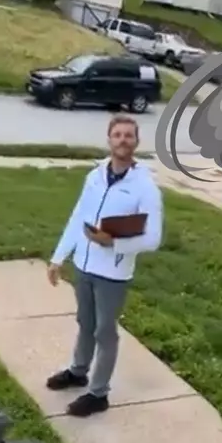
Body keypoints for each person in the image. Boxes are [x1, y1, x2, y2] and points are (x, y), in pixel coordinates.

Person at [44, 115, 164, 417]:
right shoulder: (95, 176)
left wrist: (115, 244)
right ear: (109, 140)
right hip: (84, 266)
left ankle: (98, 394)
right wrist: (59, 258)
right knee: (85, 323)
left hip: (114, 273)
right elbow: (77, 217)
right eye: (117, 134)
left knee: (104, 332)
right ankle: (78, 371)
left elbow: (153, 238)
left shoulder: (145, 186)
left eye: (128, 135)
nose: (122, 140)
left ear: (136, 142)